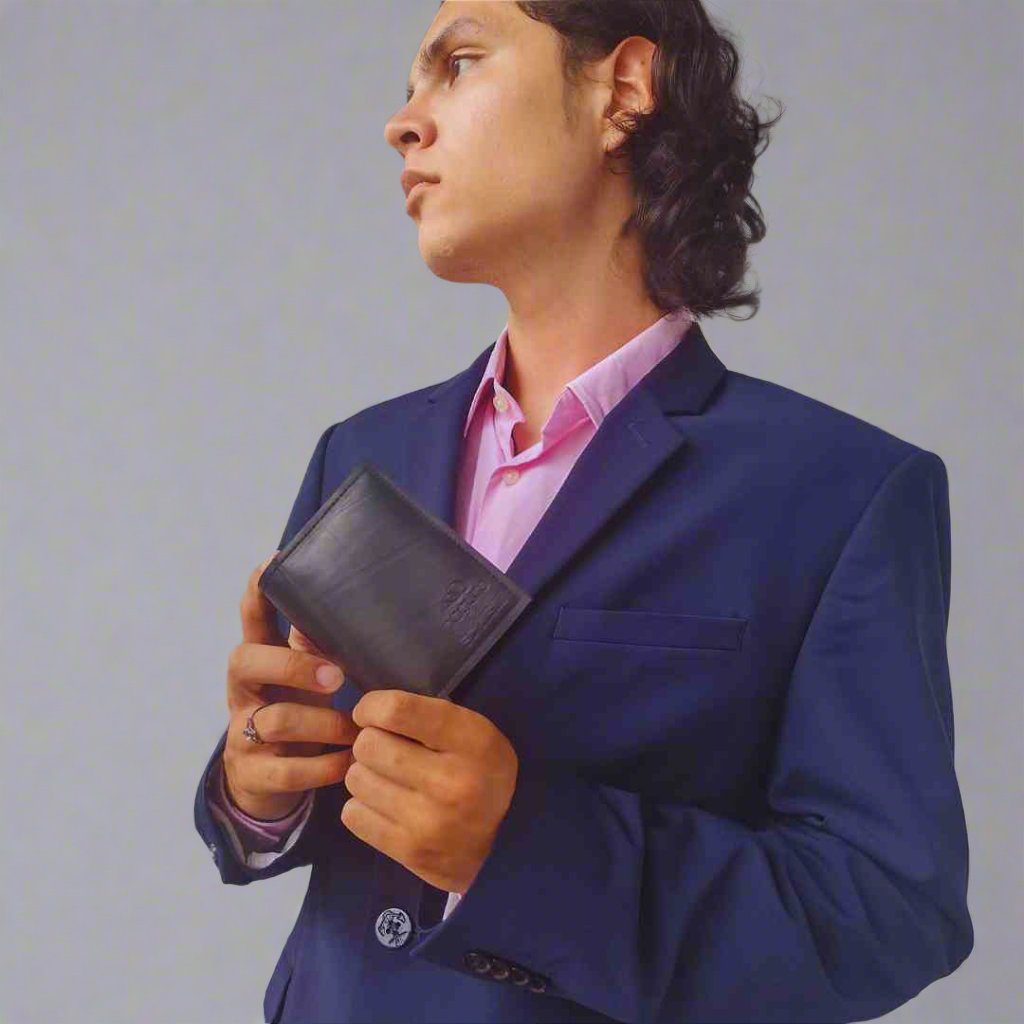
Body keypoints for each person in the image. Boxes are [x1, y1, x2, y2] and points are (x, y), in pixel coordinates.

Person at [193, 3, 974, 1022]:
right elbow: (304, 813)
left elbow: (885, 911)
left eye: (459, 64)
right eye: (409, 85)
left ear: (623, 90)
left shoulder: (841, 492)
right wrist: (256, 789)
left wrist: (522, 851)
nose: (402, 121)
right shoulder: (362, 451)